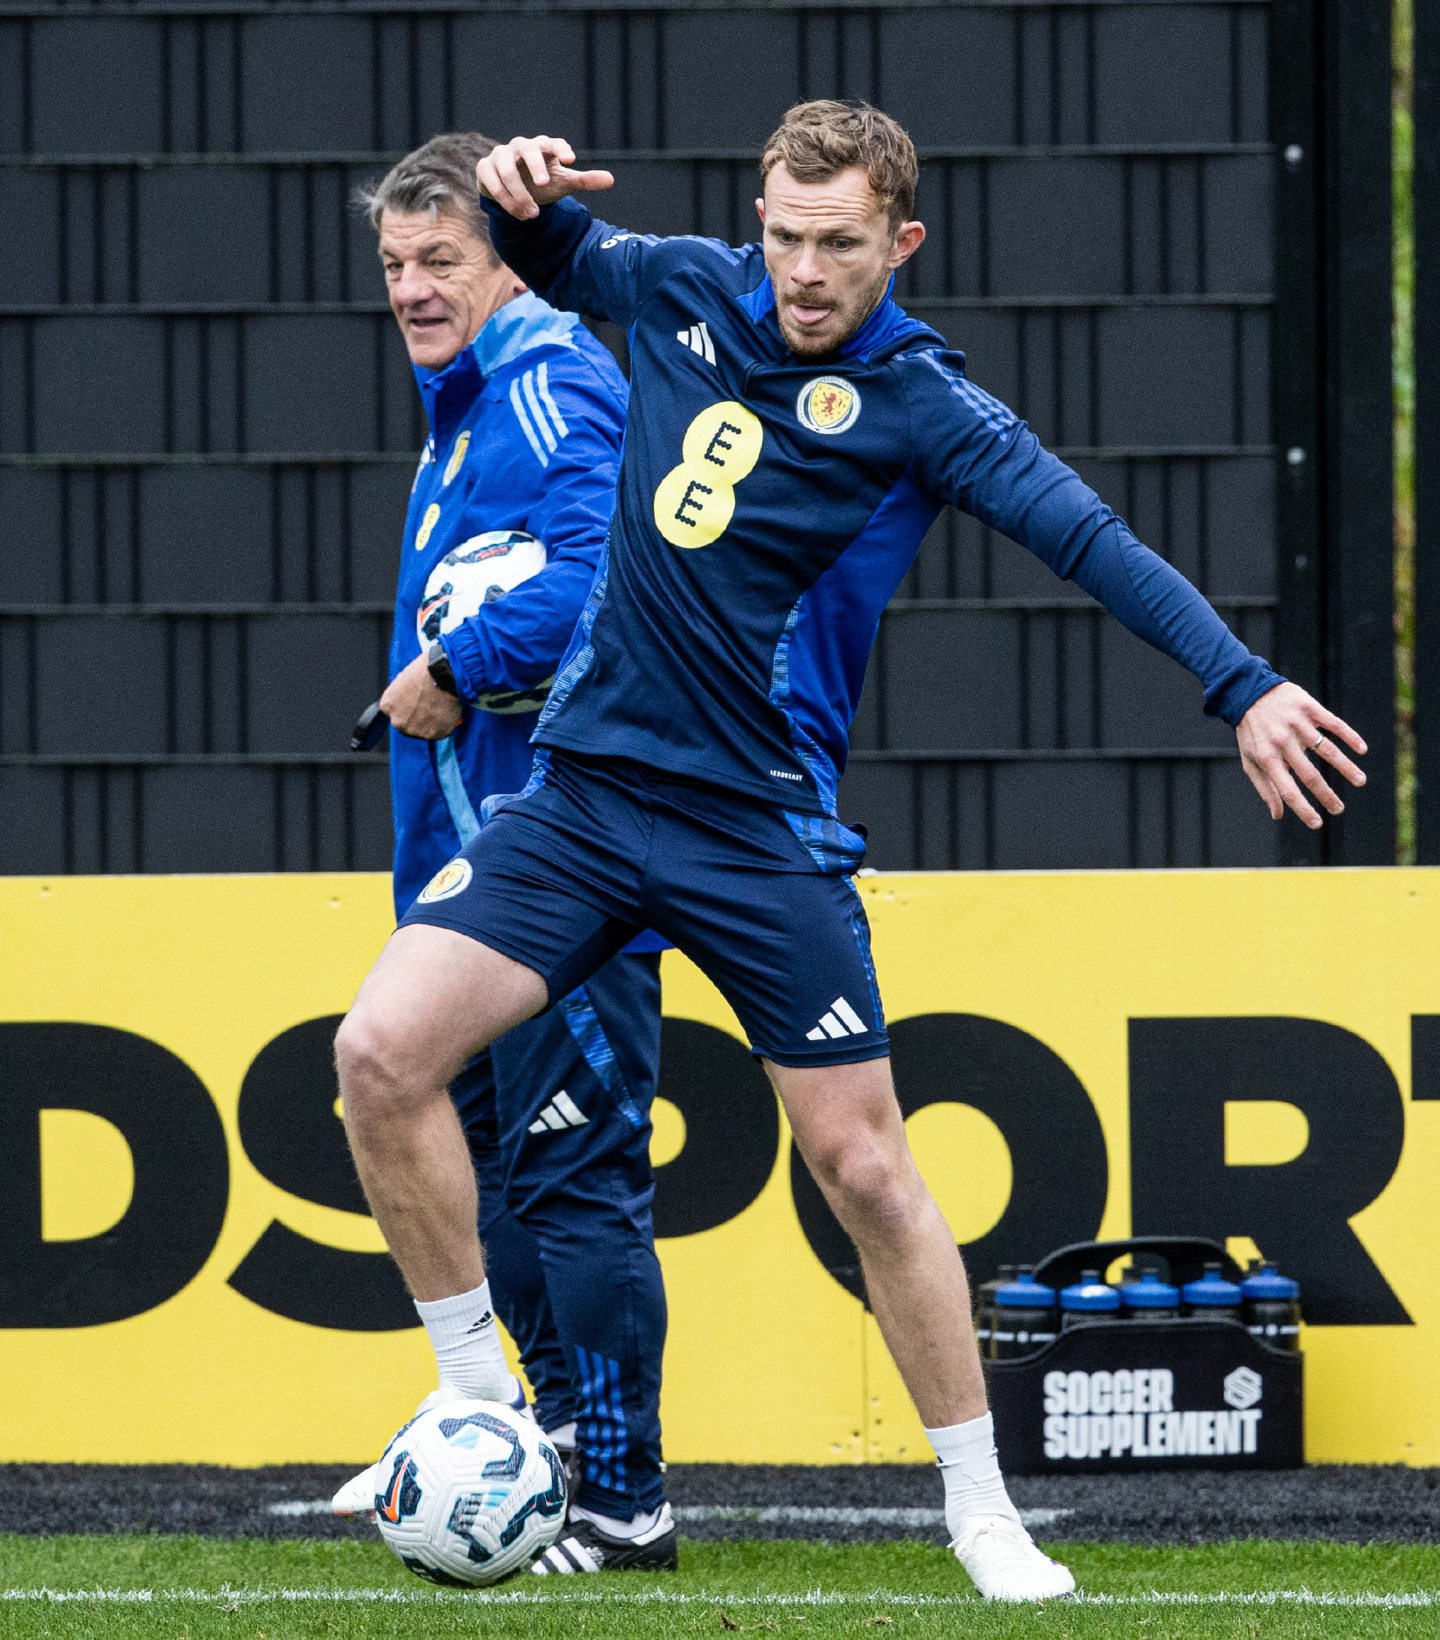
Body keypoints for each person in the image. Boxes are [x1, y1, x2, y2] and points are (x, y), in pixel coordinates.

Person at [335, 102, 1366, 1598]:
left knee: (867, 1172)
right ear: (755, 220)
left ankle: (980, 1510)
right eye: (785, 235)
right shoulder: (684, 286)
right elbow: (546, 245)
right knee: (379, 1055)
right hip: (585, 798)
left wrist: (1245, 685)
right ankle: (483, 1404)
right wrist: (516, 188)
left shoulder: (923, 404)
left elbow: (1090, 540)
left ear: (902, 242)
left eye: (838, 244)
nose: (804, 271)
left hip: (759, 831)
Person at [332, 133, 675, 1571]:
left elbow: (613, 585)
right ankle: (525, 1443)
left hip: (562, 859)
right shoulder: (465, 403)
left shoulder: (553, 386)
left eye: (442, 262)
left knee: (572, 1171)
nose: (413, 289)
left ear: (503, 261)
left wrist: (459, 667)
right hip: (472, 869)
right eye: (396, 264)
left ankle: (624, 1499)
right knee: (490, 1167)